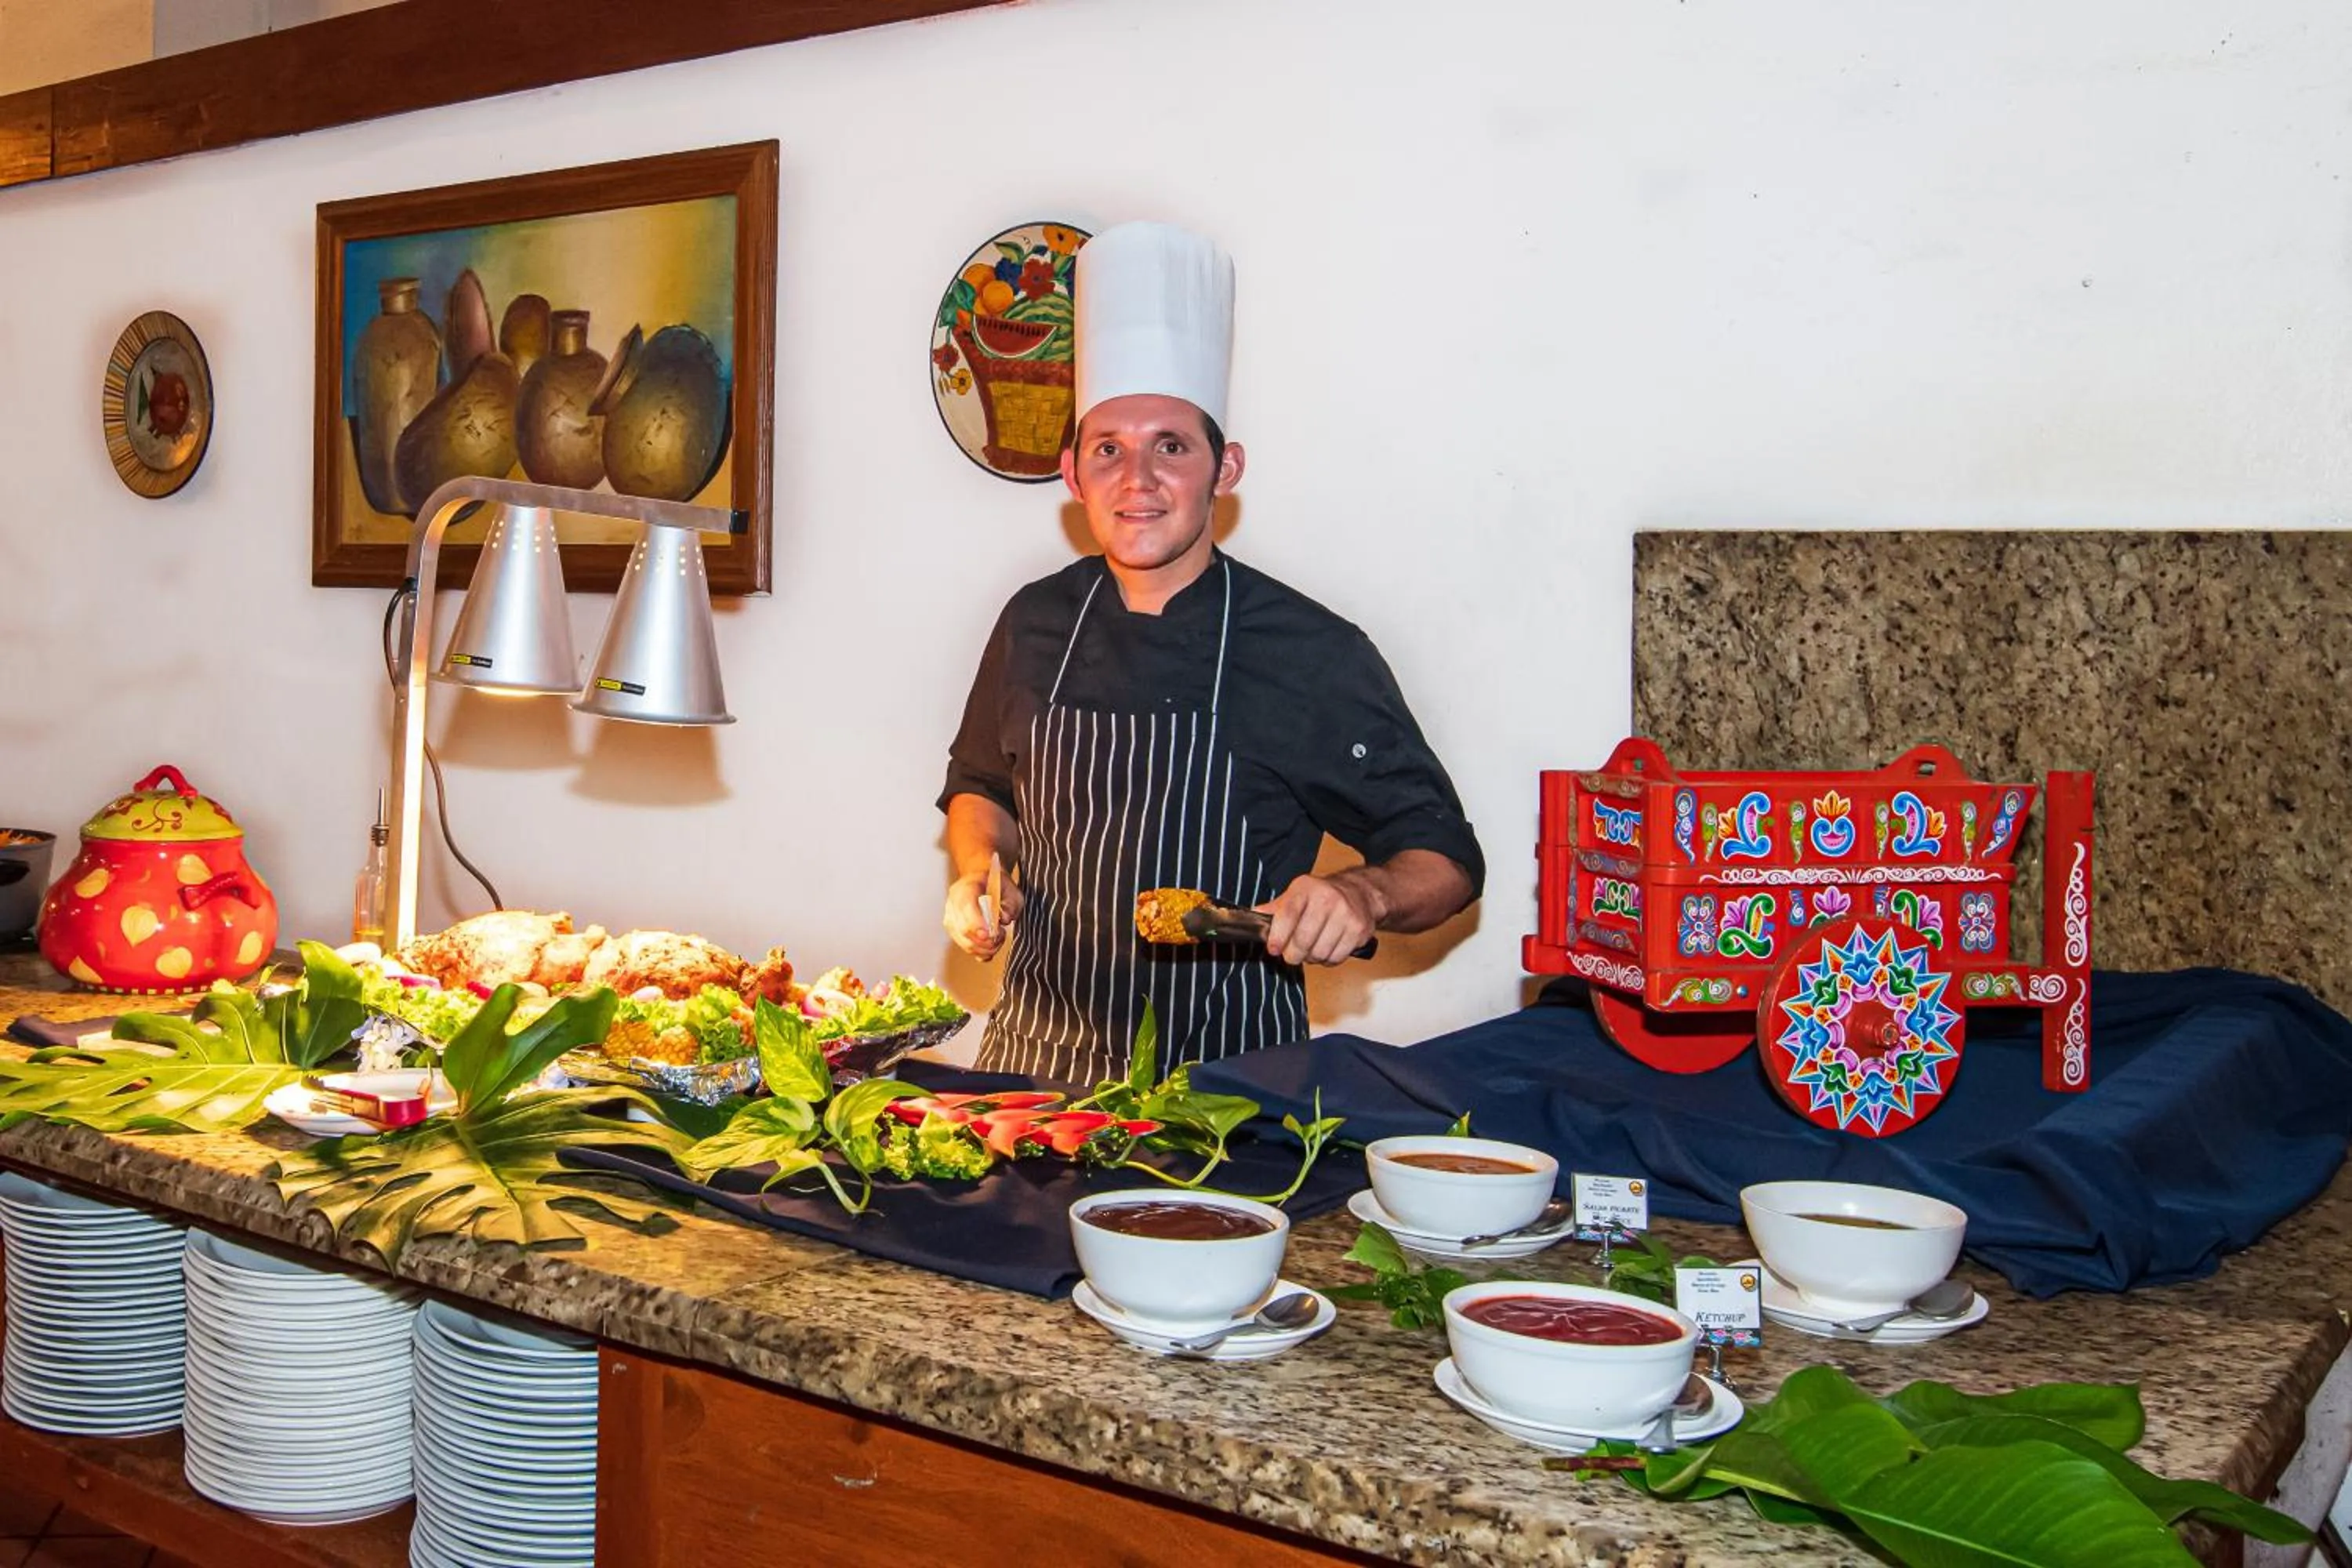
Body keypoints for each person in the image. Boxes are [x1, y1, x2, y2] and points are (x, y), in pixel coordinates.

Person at [939, 221, 1481, 1084]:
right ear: (1074, 476)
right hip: (1035, 1080)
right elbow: (981, 786)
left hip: (1232, 1093)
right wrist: (978, 870)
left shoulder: (1311, 650)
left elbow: (1447, 860)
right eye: (1108, 450)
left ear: (1224, 469)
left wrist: (1361, 893)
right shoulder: (1033, 621)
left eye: (1172, 446)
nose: (1138, 479)